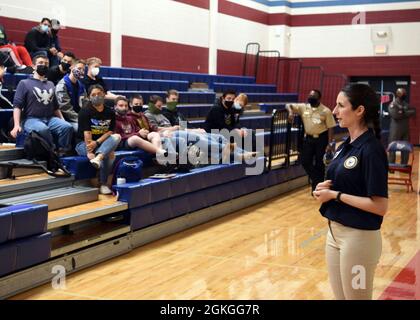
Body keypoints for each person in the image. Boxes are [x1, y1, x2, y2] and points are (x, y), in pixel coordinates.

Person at [314, 83, 388, 300]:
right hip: (334, 234)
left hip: (359, 239)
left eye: (340, 105)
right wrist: (323, 189)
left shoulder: (371, 150)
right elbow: (341, 183)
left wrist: (336, 196)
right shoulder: (345, 145)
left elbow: (380, 206)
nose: (334, 111)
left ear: (359, 110)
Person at [9, 54, 73, 155]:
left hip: (50, 118)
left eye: (46, 64)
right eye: (41, 63)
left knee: (67, 127)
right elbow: (17, 106)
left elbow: (55, 106)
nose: (44, 65)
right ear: (34, 66)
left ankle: (62, 152)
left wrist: (62, 120)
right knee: (43, 129)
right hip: (31, 119)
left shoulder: (51, 84)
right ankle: (52, 151)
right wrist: (16, 125)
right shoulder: (24, 83)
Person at [286, 89, 336, 193]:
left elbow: (331, 127)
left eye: (313, 96)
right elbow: (288, 105)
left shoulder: (326, 111)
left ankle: (316, 189)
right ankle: (318, 182)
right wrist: (291, 112)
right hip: (308, 139)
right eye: (310, 95)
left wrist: (329, 143)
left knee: (320, 164)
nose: (310, 97)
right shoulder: (304, 107)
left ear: (319, 99)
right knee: (305, 161)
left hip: (321, 139)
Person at [76, 84, 121, 195]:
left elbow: (110, 131)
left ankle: (100, 158)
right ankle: (103, 183)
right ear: (89, 97)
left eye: (99, 94)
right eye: (93, 94)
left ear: (104, 94)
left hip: (100, 143)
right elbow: (87, 133)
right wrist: (90, 150)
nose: (97, 96)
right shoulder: (85, 111)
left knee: (117, 137)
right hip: (83, 144)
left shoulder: (110, 112)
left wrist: (98, 143)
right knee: (110, 155)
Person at [55, 59, 87, 131]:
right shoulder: (62, 85)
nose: (81, 71)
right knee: (84, 129)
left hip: (78, 117)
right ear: (71, 67)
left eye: (83, 69)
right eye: (79, 68)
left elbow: (85, 104)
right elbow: (66, 109)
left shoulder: (81, 86)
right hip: (66, 119)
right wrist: (81, 119)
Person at [388, 88, 416, 165]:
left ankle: (404, 165)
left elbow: (413, 111)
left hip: (405, 130)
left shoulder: (406, 104)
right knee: (392, 148)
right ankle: (391, 165)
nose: (404, 95)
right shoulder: (393, 104)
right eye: (403, 93)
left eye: (405, 93)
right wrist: (406, 113)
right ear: (398, 94)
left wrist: (403, 112)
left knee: (405, 148)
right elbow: (395, 115)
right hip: (395, 130)